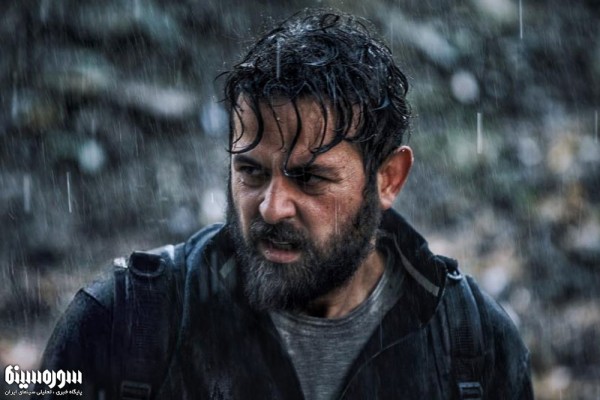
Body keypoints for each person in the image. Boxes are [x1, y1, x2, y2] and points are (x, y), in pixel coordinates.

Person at [36, 8, 533, 400]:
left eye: (310, 178)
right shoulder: (120, 324)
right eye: (251, 172)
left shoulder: (473, 345)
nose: (271, 209)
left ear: (388, 179)